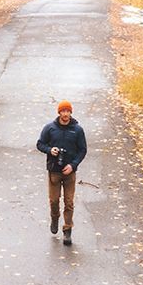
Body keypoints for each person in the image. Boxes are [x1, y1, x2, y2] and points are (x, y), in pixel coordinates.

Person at [36, 100, 87, 245]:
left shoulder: (77, 130)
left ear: (71, 113)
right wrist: (49, 150)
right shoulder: (50, 128)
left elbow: (83, 150)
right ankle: (54, 217)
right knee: (54, 200)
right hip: (54, 171)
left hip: (70, 173)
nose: (65, 114)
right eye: (63, 111)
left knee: (69, 202)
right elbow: (40, 144)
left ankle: (67, 230)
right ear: (59, 113)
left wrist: (73, 165)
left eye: (68, 111)